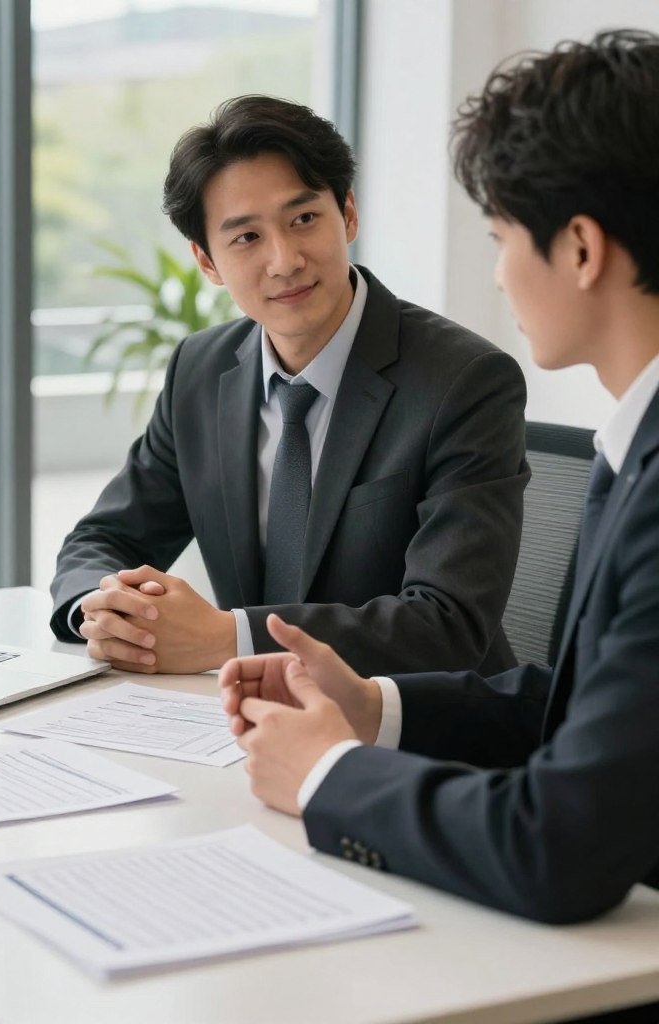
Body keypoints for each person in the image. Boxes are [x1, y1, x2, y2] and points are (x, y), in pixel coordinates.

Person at [219, 30, 659, 933]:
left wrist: (328, 774)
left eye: (500, 238)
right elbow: (581, 706)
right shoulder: (637, 442)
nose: (496, 274)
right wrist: (370, 705)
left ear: (579, 249)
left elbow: (560, 845)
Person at [50, 95, 528, 678]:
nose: (284, 261)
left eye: (303, 219)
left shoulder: (464, 380)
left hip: (415, 730)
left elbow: (447, 624)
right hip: (242, 719)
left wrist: (231, 638)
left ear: (347, 214)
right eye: (246, 238)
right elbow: (104, 538)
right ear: (206, 261)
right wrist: (101, 612)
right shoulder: (200, 372)